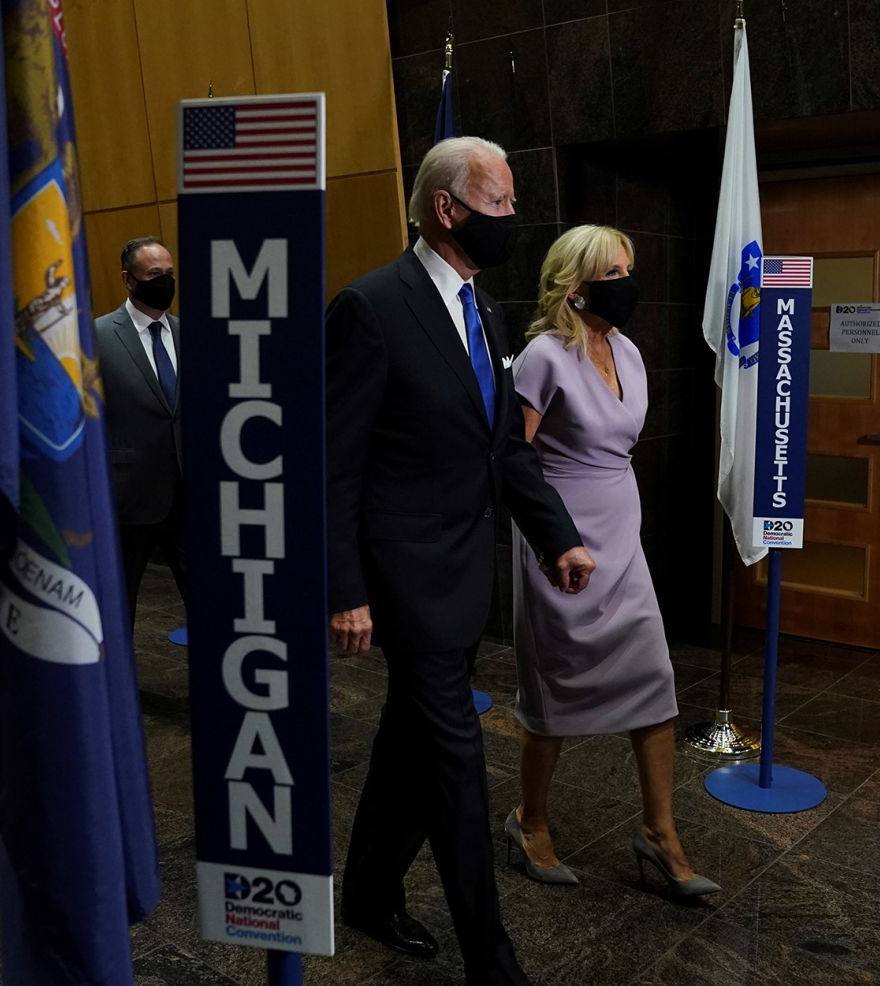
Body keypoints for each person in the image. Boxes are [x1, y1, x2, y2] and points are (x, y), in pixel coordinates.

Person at [326, 136, 597, 986]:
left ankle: (367, 892)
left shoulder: (481, 308)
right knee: (454, 765)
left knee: (410, 744)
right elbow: (334, 464)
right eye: (502, 203)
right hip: (405, 583)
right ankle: (493, 960)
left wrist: (558, 535)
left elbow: (503, 453)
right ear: (448, 209)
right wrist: (344, 590)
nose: (514, 220)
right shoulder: (370, 307)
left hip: (464, 575)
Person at [505, 225, 719, 900]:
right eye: (614, 271)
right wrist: (552, 538)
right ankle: (529, 819)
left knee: (652, 675)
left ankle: (660, 833)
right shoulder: (541, 356)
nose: (628, 283)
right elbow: (513, 459)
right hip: (562, 538)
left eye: (630, 268)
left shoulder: (626, 349)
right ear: (575, 283)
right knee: (557, 684)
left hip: (622, 532)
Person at [95, 236, 185, 633]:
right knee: (119, 601)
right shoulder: (98, 337)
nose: (164, 282)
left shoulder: (189, 333)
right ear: (129, 280)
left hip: (188, 493)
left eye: (169, 274)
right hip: (128, 494)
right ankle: (117, 688)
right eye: (153, 275)